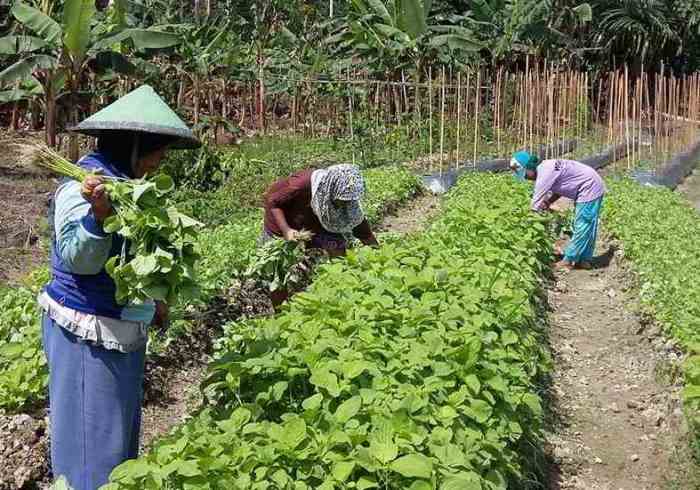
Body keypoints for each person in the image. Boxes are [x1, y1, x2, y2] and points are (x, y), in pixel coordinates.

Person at [39, 85, 200, 489]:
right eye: (156, 152)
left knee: (116, 443)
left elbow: (136, 257)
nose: (159, 162)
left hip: (122, 330)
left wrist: (156, 301)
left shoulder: (128, 185)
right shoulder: (83, 188)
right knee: (89, 450)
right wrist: (98, 216)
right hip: (87, 335)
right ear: (134, 145)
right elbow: (79, 258)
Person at [511, 151, 606, 270]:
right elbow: (561, 186)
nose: (526, 178)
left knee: (583, 224)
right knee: (586, 225)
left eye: (525, 175)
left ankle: (569, 259)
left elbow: (534, 207)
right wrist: (549, 202)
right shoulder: (546, 166)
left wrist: (523, 230)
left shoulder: (544, 174)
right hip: (590, 182)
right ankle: (584, 260)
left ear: (528, 168)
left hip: (589, 186)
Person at [262, 163, 379, 256]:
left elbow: (363, 230)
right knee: (283, 261)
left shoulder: (348, 201)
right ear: (331, 190)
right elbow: (272, 200)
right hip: (285, 224)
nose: (345, 205)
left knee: (336, 247)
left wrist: (379, 255)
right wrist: (286, 230)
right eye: (342, 201)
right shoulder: (301, 185)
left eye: (349, 201)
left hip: (316, 225)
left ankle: (338, 276)